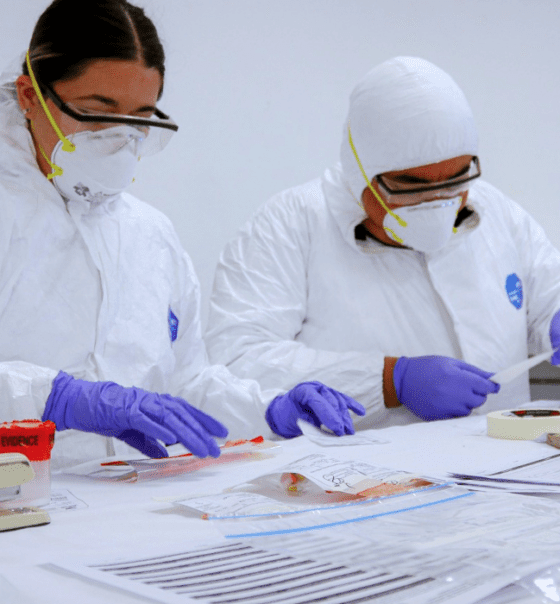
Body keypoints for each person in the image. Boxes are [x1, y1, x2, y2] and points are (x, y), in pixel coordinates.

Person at [0, 0, 365, 469]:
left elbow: (185, 383)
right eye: (95, 113)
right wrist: (54, 398)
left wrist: (270, 409)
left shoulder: (150, 234)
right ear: (30, 96)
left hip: (122, 502)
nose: (119, 140)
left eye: (139, 120)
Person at [205, 56, 560, 431]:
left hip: (507, 457)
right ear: (360, 170)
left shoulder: (497, 211)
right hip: (359, 465)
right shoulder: (288, 226)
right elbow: (238, 360)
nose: (438, 204)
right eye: (412, 187)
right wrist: (389, 380)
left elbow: (547, 292)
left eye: (455, 181)